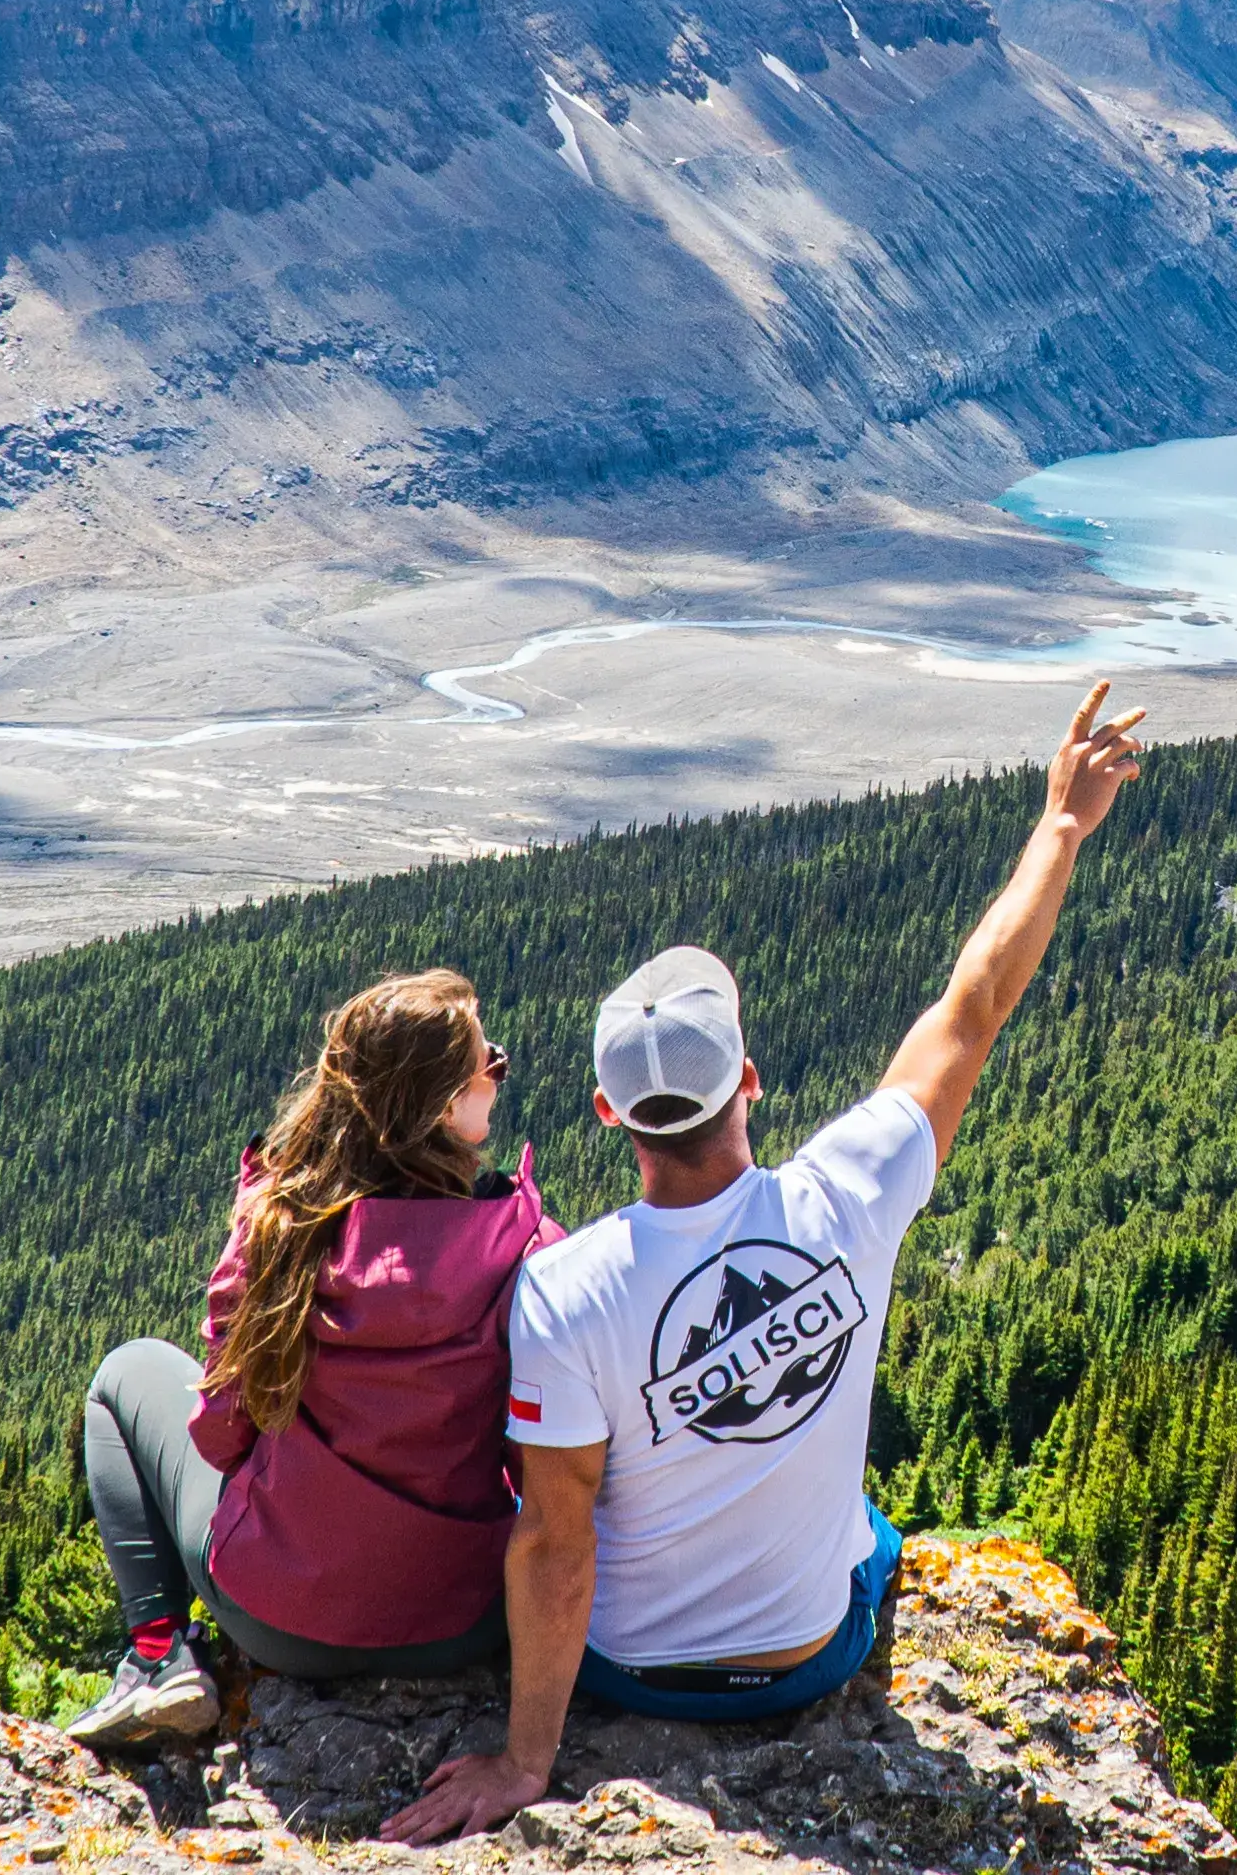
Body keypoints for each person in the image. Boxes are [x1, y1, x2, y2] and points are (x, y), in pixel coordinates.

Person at [385, 684, 1149, 1842]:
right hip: (807, 1662)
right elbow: (974, 1004)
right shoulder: (850, 1189)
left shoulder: (562, 1287)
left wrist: (526, 1762)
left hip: (628, 1673)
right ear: (748, 1080)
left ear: (608, 1114)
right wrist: (1060, 825)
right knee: (871, 1529)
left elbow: (554, 1537)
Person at [71, 968, 565, 1748]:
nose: (499, 1075)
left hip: (283, 1622)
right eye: (489, 1063)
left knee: (123, 1374)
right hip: (467, 1620)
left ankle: (160, 1653)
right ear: (444, 1107)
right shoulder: (527, 1245)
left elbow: (218, 1436)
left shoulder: (281, 1233)